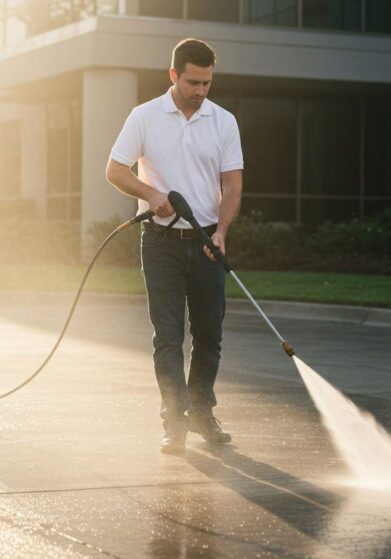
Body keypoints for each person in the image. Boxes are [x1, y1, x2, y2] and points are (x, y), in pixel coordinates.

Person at [105, 38, 244, 454]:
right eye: (192, 82)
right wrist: (151, 194)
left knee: (209, 335)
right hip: (160, 243)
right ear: (173, 75)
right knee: (167, 337)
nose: (200, 91)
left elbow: (232, 185)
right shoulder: (144, 116)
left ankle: (201, 412)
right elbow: (115, 170)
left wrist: (221, 232)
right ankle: (174, 422)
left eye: (207, 83)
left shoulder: (223, 122)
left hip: (206, 242)